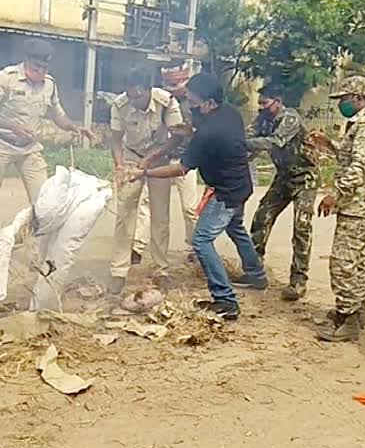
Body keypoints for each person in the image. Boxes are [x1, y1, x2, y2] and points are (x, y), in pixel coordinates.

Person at [128, 73, 267, 320]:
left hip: (226, 192)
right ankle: (256, 274)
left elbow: (181, 168)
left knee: (201, 241)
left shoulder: (208, 132)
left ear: (209, 103)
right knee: (235, 228)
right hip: (242, 184)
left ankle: (225, 300)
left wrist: (145, 172)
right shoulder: (230, 113)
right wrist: (189, 128)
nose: (189, 105)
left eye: (193, 101)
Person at [0, 38, 95, 266]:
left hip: (29, 149)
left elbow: (56, 113)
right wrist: (11, 126)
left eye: (43, 68)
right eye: (35, 67)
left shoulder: (49, 84)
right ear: (27, 61)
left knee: (44, 202)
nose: (39, 72)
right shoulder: (6, 78)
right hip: (1, 145)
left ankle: (38, 251)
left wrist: (74, 127)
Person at [309, 76, 365, 342]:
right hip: (359, 203)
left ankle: (349, 317)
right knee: (354, 260)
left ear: (357, 97)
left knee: (342, 262)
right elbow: (352, 155)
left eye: (344, 99)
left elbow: (360, 166)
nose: (340, 104)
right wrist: (329, 144)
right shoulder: (361, 124)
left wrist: (335, 193)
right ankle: (356, 309)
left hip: (361, 203)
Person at [108, 68, 185, 294]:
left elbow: (177, 136)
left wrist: (152, 159)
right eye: (131, 96)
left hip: (159, 157)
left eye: (139, 96)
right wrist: (120, 166)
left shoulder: (166, 102)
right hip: (132, 156)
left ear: (149, 90)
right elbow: (115, 139)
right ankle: (118, 271)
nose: (135, 101)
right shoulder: (119, 105)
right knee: (124, 213)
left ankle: (161, 270)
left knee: (160, 215)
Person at [244, 84, 319, 301]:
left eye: (265, 103)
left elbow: (276, 141)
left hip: (305, 177)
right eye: (260, 103)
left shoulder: (290, 118)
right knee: (262, 217)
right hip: (284, 177)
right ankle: (254, 270)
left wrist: (243, 144)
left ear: (278, 101)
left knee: (301, 227)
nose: (262, 108)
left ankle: (299, 280)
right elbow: (250, 144)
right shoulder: (262, 120)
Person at [131, 62, 199, 264]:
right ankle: (137, 247)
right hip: (160, 159)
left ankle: (195, 247)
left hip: (186, 161)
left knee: (189, 207)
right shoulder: (158, 101)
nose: (174, 86)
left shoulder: (194, 104)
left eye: (178, 82)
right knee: (146, 204)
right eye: (169, 82)